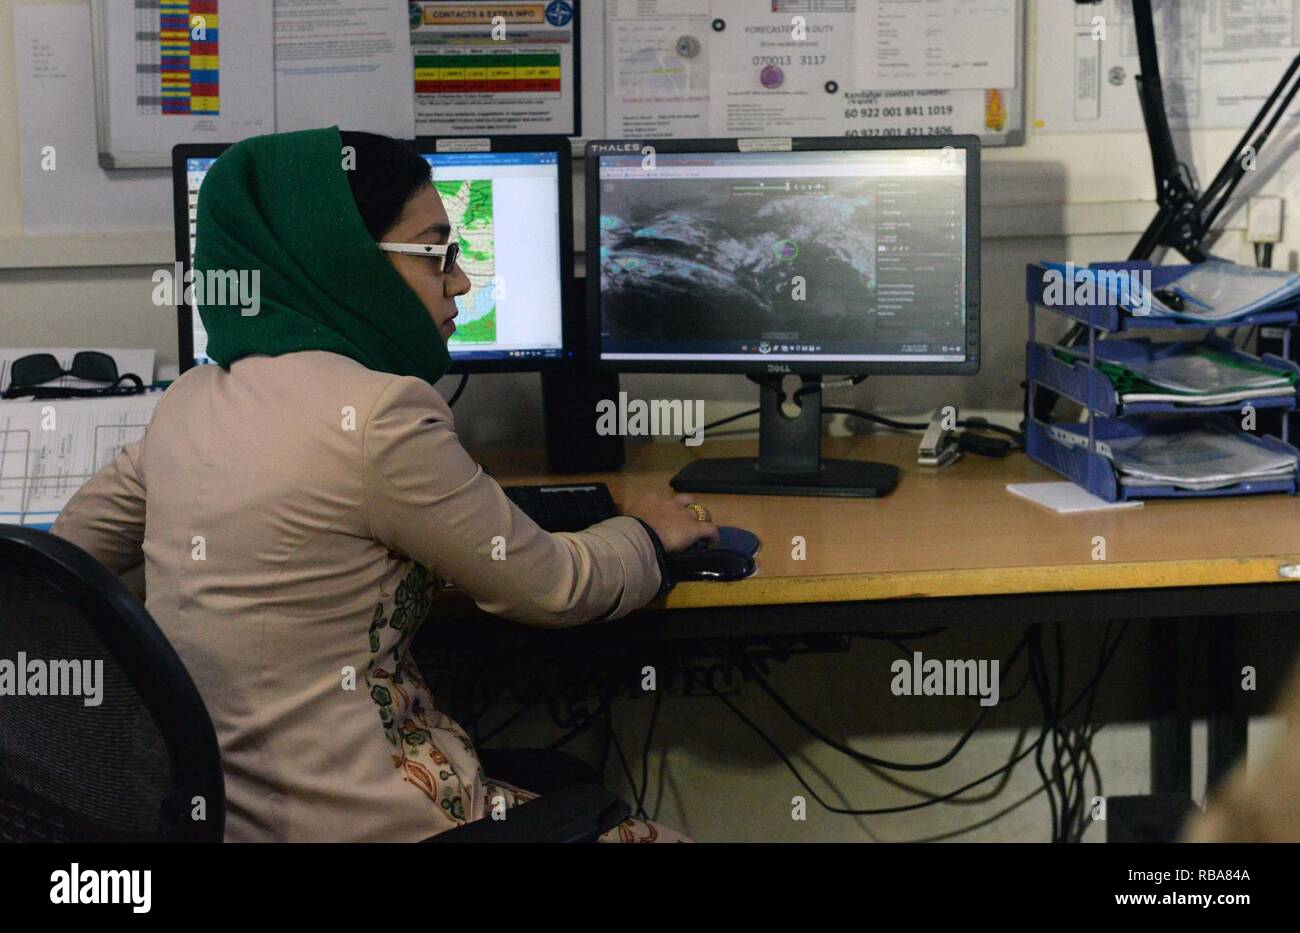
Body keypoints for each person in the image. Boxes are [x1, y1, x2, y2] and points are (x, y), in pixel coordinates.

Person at [52, 127, 713, 842]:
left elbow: (61, 556)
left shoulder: (190, 400)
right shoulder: (378, 414)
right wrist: (647, 533)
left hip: (230, 820)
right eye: (439, 252)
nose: (460, 281)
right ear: (348, 263)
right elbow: (552, 586)